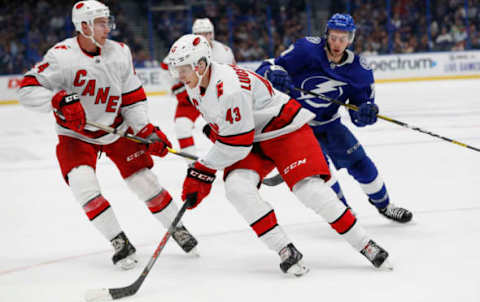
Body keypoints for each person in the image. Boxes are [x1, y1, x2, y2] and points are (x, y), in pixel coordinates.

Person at [167, 34, 393, 276]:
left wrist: (203, 169)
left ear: (201, 65)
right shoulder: (195, 85)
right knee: (237, 188)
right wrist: (215, 136)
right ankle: (285, 249)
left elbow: (237, 144)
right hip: (252, 137)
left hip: (284, 129)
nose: (179, 76)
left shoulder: (228, 87)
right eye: (176, 69)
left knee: (310, 190)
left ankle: (366, 244)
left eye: (183, 69)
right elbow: (232, 130)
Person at [16, 0, 198, 270]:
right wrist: (59, 100)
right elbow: (27, 89)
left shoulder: (120, 52)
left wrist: (144, 130)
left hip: (116, 127)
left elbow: (133, 98)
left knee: (145, 182)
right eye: (101, 22)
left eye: (107, 21)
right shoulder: (61, 56)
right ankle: (119, 241)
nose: (108, 27)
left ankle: (177, 227)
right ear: (84, 26)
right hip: (75, 134)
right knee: (82, 184)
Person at [256, 13, 413, 223]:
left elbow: (358, 113)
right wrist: (273, 72)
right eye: (334, 37)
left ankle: (385, 206)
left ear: (351, 39)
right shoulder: (306, 50)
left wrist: (364, 113)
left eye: (343, 38)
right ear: (326, 35)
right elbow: (267, 66)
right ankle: (344, 212)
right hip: (297, 125)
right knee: (322, 173)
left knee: (361, 164)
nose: (338, 43)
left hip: (329, 124)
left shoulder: (360, 70)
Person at [165, 18, 236, 157]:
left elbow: (234, 75)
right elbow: (168, 68)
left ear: (213, 34)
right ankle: (192, 165)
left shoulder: (224, 52)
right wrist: (178, 89)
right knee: (181, 126)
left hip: (217, 98)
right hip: (192, 95)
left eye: (207, 33)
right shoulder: (183, 47)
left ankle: (234, 162)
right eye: (200, 33)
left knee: (226, 132)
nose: (204, 37)